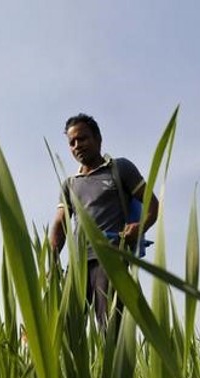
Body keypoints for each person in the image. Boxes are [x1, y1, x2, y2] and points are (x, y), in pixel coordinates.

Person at [49, 113, 159, 327]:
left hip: (110, 260)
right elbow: (60, 225)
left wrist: (140, 227)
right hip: (77, 263)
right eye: (72, 142)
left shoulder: (120, 169)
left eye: (82, 138)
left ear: (98, 139)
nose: (77, 145)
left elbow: (152, 205)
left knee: (110, 329)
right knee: (67, 329)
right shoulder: (70, 184)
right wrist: (52, 259)